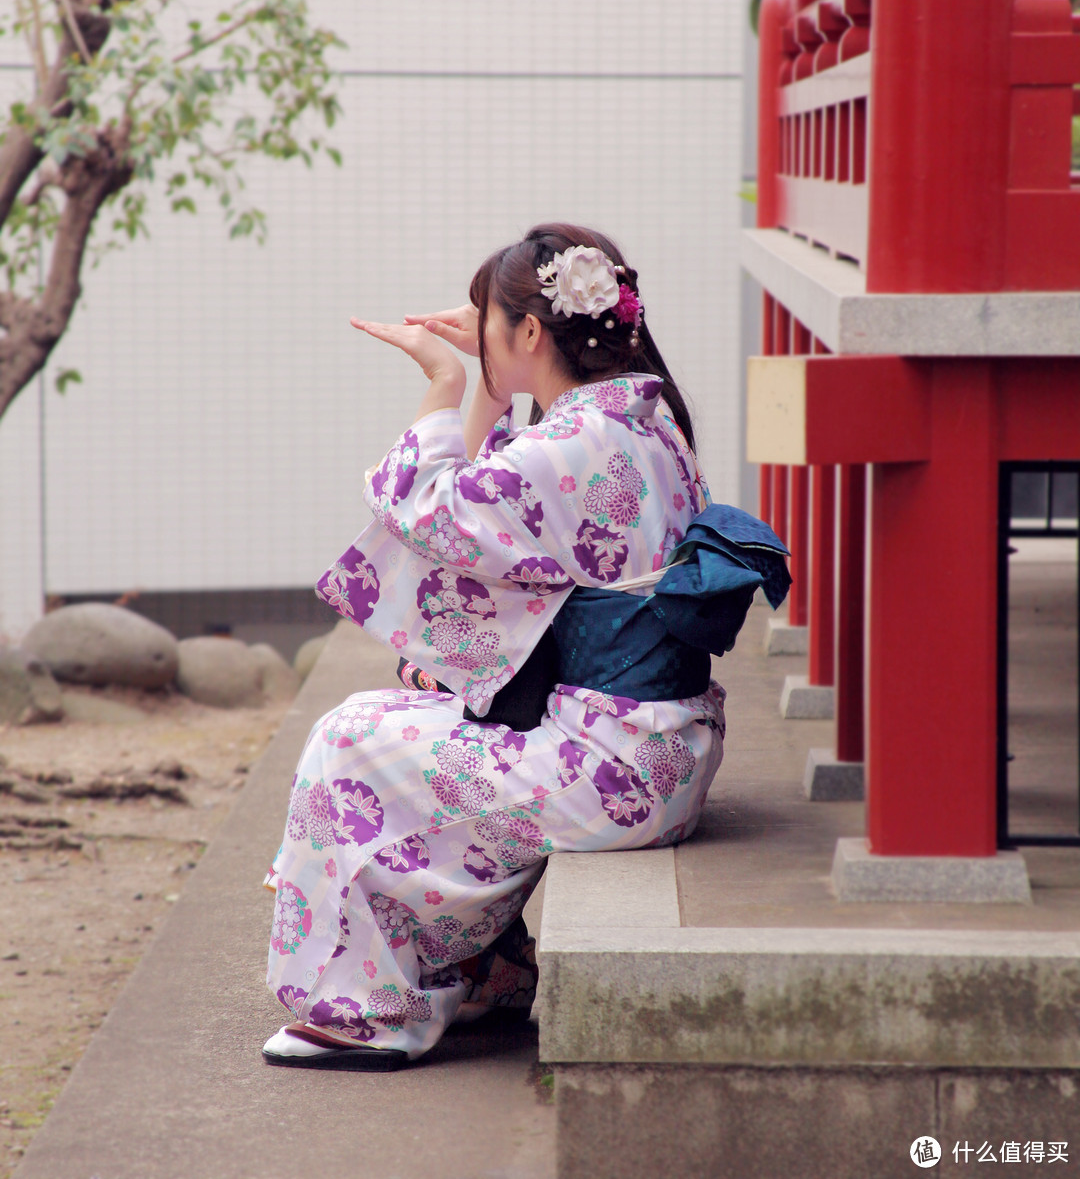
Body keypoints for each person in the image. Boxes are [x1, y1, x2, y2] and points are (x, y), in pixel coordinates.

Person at [262, 223, 789, 1070]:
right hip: (652, 750)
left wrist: (442, 383)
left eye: (490, 321)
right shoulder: (637, 421)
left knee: (348, 743)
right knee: (398, 713)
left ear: (532, 332)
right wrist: (486, 383)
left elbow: (435, 513)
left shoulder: (580, 442)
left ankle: (366, 1011)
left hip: (612, 767)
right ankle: (484, 972)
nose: (476, 336)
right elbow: (482, 508)